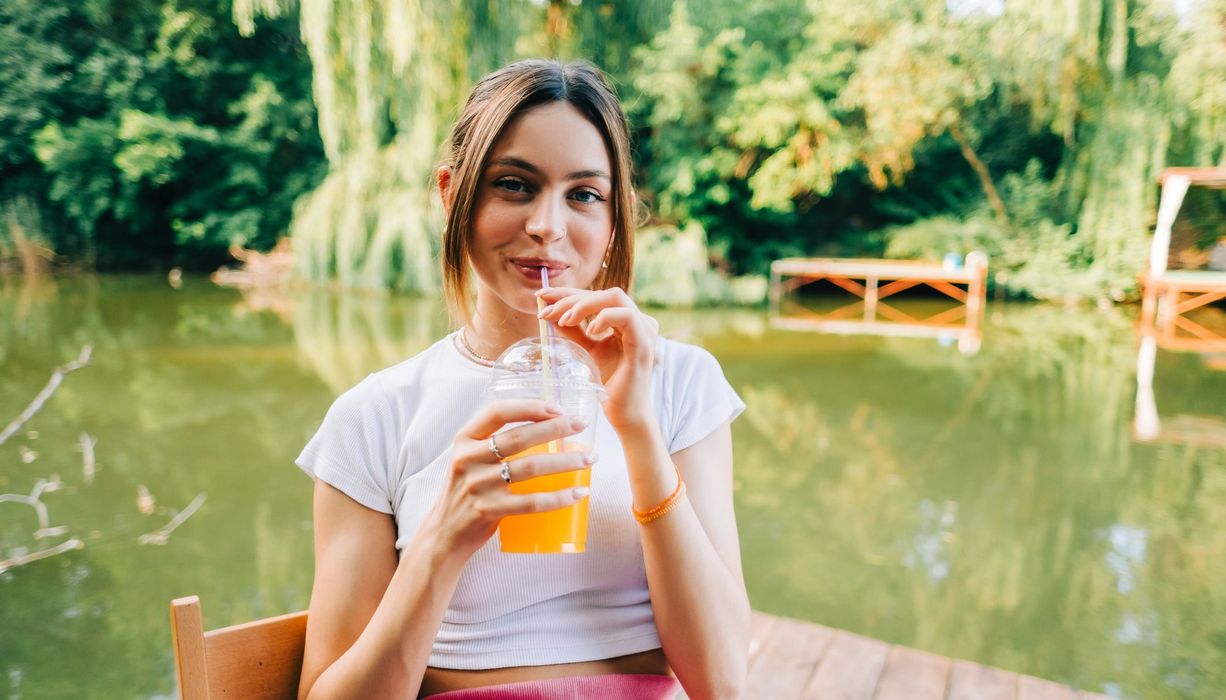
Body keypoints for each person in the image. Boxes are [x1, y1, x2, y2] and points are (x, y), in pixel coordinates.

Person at [295, 59, 749, 700]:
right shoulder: (373, 416)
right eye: (514, 184)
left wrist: (639, 431)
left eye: (584, 195)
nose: (548, 226)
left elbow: (725, 682)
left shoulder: (680, 383)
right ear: (453, 195)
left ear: (614, 219)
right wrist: (444, 536)